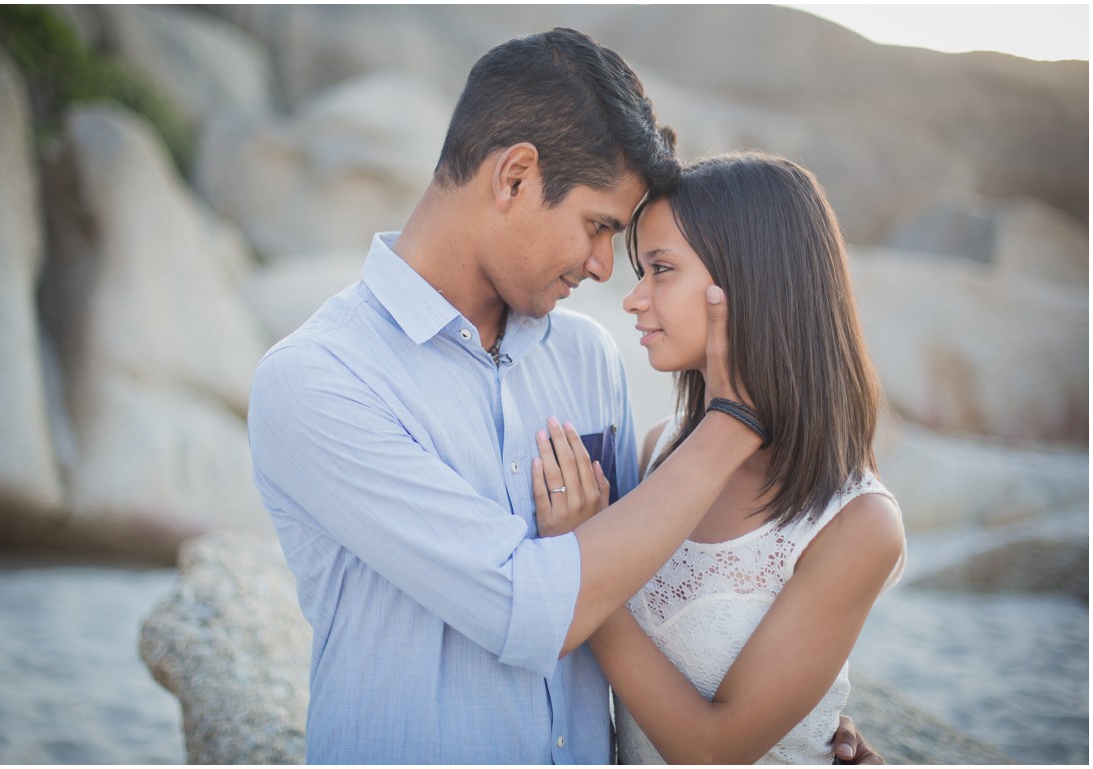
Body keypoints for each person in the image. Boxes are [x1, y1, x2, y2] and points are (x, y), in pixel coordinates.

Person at [249, 27, 878, 764]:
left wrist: (797, 727)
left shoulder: (586, 357)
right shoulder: (320, 378)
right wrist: (736, 419)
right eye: (598, 227)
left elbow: (651, 586)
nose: (604, 266)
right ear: (515, 177)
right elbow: (528, 607)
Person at [531, 151, 907, 763]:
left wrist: (584, 570)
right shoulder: (658, 452)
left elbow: (714, 751)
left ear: (749, 280)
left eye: (660, 269)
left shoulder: (856, 522)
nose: (634, 299)